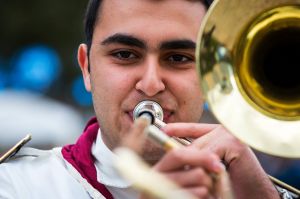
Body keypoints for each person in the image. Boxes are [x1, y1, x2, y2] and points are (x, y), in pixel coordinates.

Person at [0, 0, 283, 198]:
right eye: (124, 54)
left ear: (211, 77)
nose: (150, 85)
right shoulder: (15, 186)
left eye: (178, 58)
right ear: (87, 68)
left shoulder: (253, 188)